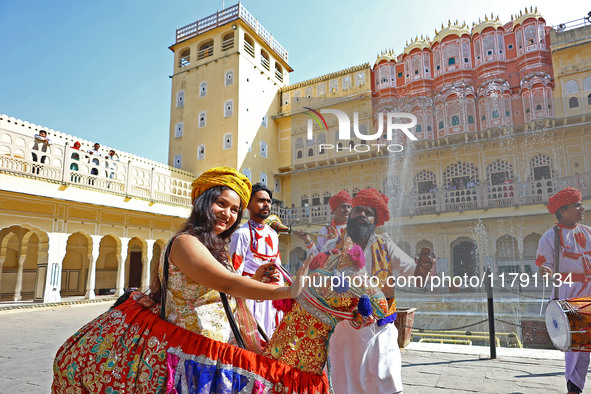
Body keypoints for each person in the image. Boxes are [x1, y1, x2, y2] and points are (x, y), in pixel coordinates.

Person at [52, 167, 318, 393]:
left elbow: (215, 289)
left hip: (217, 348)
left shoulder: (215, 245)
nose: (228, 214)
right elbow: (226, 284)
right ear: (202, 202)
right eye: (221, 204)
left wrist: (252, 277)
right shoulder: (186, 242)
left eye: (235, 209)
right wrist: (289, 290)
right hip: (192, 351)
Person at [325, 188, 434, 394]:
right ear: (350, 215)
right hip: (342, 332)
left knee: (386, 383)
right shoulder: (332, 246)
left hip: (379, 330)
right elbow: (317, 280)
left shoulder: (385, 244)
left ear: (375, 220)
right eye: (358, 211)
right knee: (343, 386)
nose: (362, 215)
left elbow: (416, 278)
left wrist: (423, 269)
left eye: (369, 212)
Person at [537, 187, 590, 394]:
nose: (582, 208)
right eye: (577, 205)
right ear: (563, 210)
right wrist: (546, 270)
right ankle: (574, 388)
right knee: (579, 347)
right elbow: (546, 265)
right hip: (572, 293)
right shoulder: (550, 237)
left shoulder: (588, 231)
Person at [229, 182, 284, 341]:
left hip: (271, 301)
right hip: (250, 300)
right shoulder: (241, 234)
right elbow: (234, 274)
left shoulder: (273, 234)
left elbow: (278, 267)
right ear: (248, 205)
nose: (266, 204)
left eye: (268, 201)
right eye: (261, 200)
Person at [295, 190, 352, 256]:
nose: (346, 209)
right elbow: (319, 255)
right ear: (334, 210)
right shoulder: (325, 231)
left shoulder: (355, 228)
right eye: (343, 206)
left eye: (349, 207)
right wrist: (308, 241)